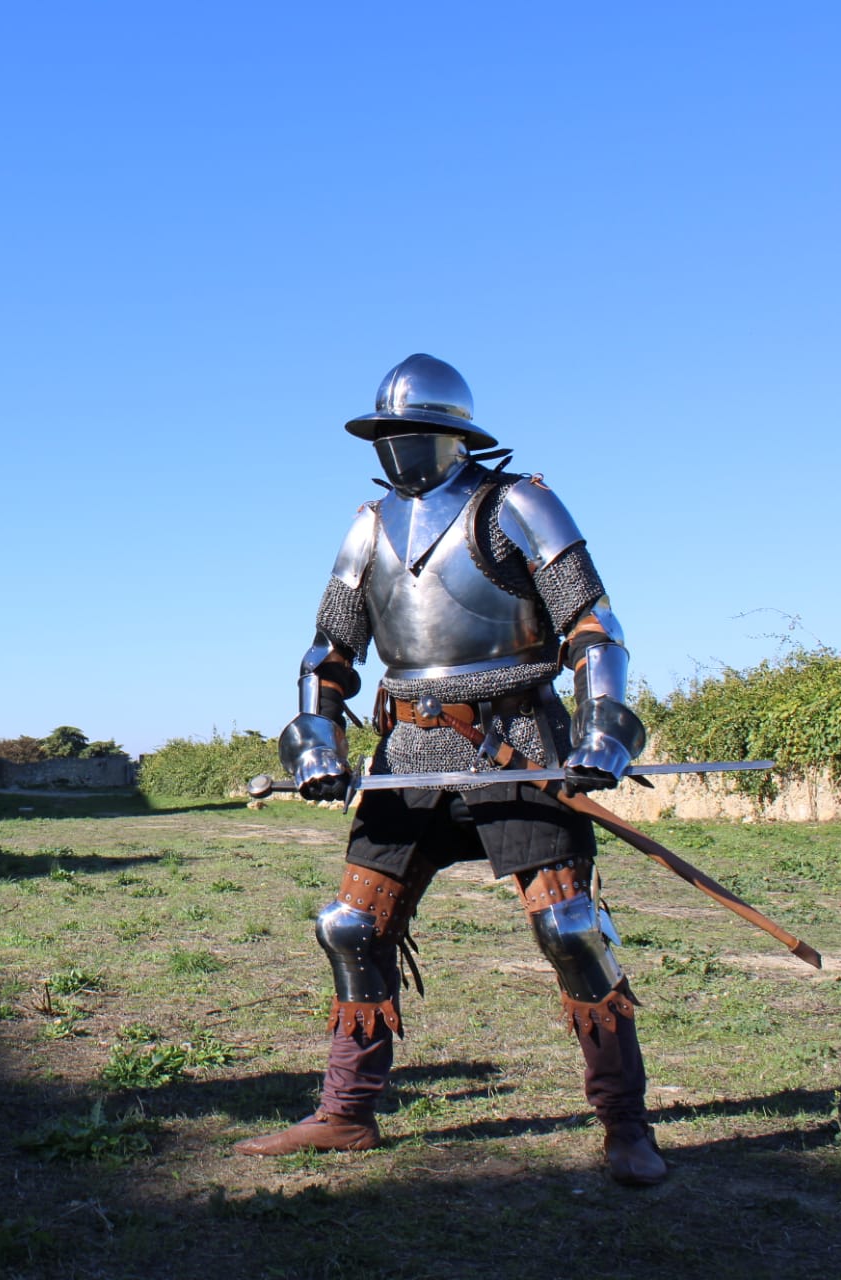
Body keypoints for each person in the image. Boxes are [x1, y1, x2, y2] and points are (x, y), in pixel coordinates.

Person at [233, 355, 665, 1186]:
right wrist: (318, 745)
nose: (397, 445)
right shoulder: (368, 528)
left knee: (570, 930)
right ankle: (346, 1113)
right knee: (351, 926)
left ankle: (626, 1125)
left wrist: (602, 729)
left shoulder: (518, 505)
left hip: (516, 740)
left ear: (451, 433)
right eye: (385, 433)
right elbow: (328, 656)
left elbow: (592, 628)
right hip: (408, 750)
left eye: (409, 430)